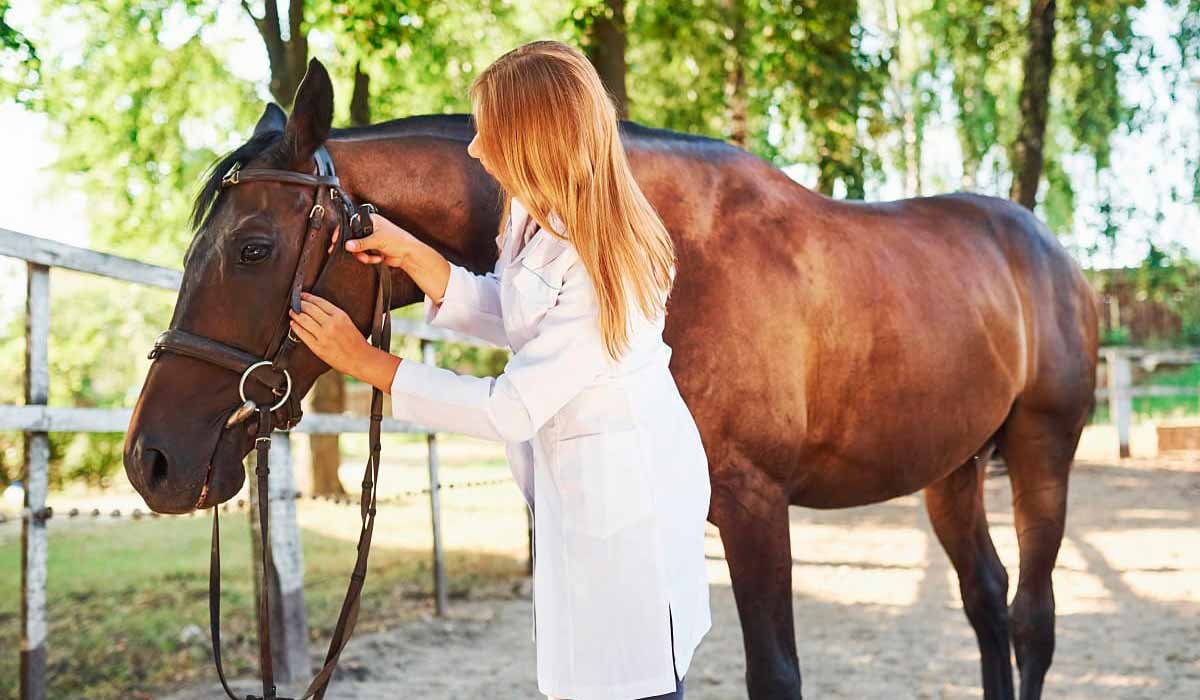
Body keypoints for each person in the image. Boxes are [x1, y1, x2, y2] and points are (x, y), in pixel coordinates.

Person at [288, 40, 711, 700]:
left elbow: (508, 408)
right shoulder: (534, 222)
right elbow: (525, 319)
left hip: (629, 502)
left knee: (634, 680)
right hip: (584, 490)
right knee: (594, 675)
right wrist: (411, 254)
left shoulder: (606, 264)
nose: (477, 149)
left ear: (532, 140)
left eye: (490, 132)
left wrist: (366, 362)